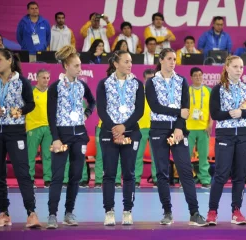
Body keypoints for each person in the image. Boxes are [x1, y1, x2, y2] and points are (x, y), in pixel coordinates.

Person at [145, 48, 207, 226]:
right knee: (162, 173)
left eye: (175, 59)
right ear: (161, 59)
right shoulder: (151, 82)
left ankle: (194, 213)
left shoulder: (181, 81)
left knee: (186, 171)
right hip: (158, 130)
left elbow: (185, 107)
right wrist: (178, 112)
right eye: (170, 59)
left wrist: (179, 126)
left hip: (179, 130)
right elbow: (155, 107)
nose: (173, 62)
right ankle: (167, 212)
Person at [205, 55, 246, 226]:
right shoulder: (218, 89)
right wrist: (230, 113)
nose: (239, 70)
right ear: (227, 68)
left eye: (241, 67)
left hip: (243, 136)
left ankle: (236, 211)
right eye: (235, 67)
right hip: (225, 135)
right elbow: (214, 114)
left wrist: (243, 113)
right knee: (221, 174)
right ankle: (212, 211)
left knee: (239, 175)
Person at [46, 45, 95, 229]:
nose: (79, 68)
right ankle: (52, 215)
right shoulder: (55, 88)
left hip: (79, 136)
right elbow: (51, 115)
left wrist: (87, 113)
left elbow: (92, 101)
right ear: (66, 66)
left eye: (80, 65)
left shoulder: (82, 85)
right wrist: (56, 138)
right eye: (76, 65)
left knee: (75, 176)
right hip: (62, 136)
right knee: (58, 176)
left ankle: (68, 212)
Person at [97, 50, 144, 225]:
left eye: (131, 61)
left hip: (131, 133)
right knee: (109, 174)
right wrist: (114, 129)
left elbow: (139, 110)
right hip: (109, 133)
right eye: (126, 61)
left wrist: (124, 127)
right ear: (116, 64)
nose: (130, 65)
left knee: (129, 174)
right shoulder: (104, 84)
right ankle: (109, 211)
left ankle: (127, 211)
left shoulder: (137, 84)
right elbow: (101, 109)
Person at [0, 48, 41, 228]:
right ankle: (4, 213)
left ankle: (31, 213)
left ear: (9, 61)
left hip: (15, 131)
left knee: (23, 173)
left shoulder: (21, 81)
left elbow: (31, 104)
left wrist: (21, 111)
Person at [186, 67, 212, 188]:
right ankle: (185, 179)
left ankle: (205, 179)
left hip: (203, 128)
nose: (198, 77)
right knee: (186, 156)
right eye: (195, 75)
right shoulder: (186, 91)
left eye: (200, 75)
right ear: (191, 77)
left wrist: (210, 124)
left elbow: (213, 110)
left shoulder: (208, 91)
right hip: (188, 128)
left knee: (203, 156)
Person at [26, 69, 52, 189]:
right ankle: (30, 179)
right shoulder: (30, 91)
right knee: (31, 155)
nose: (46, 80)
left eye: (47, 78)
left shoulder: (51, 92)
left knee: (47, 155)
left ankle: (48, 179)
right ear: (37, 78)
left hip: (48, 127)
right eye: (43, 78)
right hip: (33, 127)